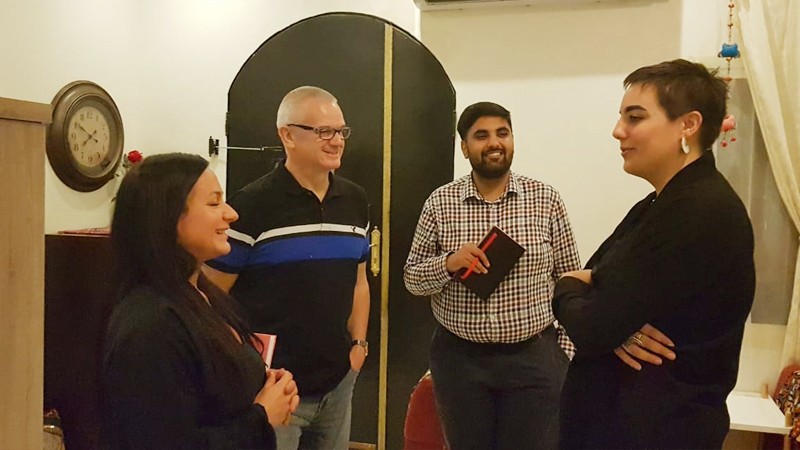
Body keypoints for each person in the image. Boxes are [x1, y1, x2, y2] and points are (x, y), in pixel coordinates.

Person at [552, 59, 755, 449]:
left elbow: (592, 325)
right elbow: (600, 292)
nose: (618, 131)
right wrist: (614, 324)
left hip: (657, 431)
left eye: (635, 117)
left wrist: (567, 289)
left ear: (688, 125)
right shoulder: (656, 205)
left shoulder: (699, 209)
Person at [404, 101, 581, 450]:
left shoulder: (545, 199)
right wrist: (449, 263)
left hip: (535, 359)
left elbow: (571, 279)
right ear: (465, 147)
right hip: (460, 362)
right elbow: (412, 278)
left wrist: (564, 349)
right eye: (481, 135)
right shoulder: (440, 203)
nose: (494, 143)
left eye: (503, 133)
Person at [204, 86, 370, 450]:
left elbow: (359, 282)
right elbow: (211, 297)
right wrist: (247, 371)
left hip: (337, 384)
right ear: (288, 136)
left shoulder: (355, 200)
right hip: (276, 390)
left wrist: (358, 346)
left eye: (341, 131)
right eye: (323, 131)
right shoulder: (251, 205)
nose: (336, 141)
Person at [103, 153, 300, 449]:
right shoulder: (151, 325)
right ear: (168, 218)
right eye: (214, 203)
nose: (231, 214)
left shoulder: (203, 295)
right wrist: (262, 417)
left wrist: (268, 386)